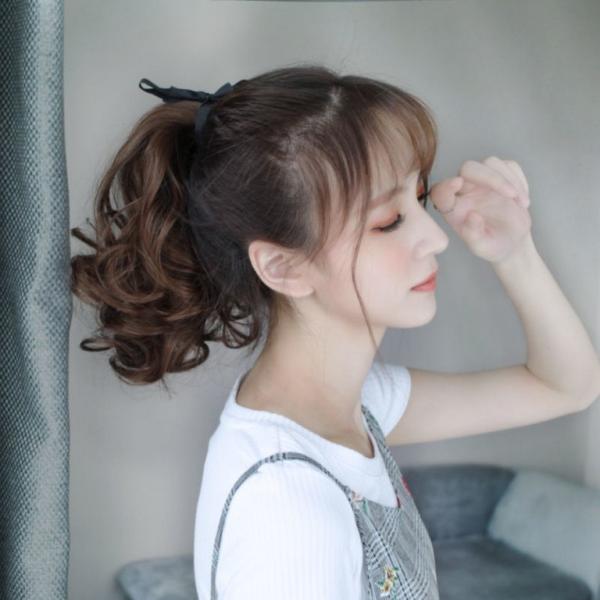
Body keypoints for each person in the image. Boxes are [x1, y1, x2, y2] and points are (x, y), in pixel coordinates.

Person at [70, 63, 600, 599]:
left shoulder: (354, 405)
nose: (436, 238)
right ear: (284, 267)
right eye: (387, 222)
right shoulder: (287, 511)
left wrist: (514, 252)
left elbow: (565, 386)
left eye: (418, 198)